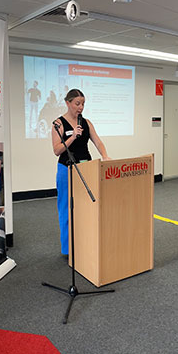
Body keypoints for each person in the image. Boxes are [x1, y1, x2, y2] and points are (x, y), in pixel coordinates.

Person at [51, 88, 109, 255]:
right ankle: (67, 249)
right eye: (77, 104)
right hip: (66, 168)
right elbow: (56, 150)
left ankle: (85, 242)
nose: (80, 107)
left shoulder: (86, 122)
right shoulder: (58, 123)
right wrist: (72, 136)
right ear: (68, 103)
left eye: (83, 104)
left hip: (86, 167)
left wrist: (105, 155)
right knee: (66, 208)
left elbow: (97, 141)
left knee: (86, 206)